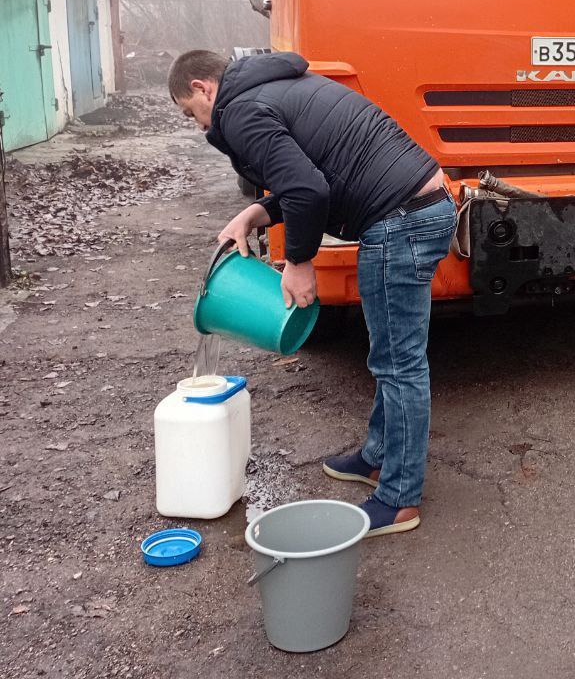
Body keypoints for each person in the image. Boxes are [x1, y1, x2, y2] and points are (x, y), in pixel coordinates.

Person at [169, 50, 454, 536]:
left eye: (188, 112)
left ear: (202, 88)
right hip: (419, 207)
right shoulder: (270, 87)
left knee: (399, 362)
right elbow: (311, 170)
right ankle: (378, 457)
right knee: (391, 354)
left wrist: (298, 263)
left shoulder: (237, 111)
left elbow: (307, 189)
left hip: (400, 220)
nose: (198, 126)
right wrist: (256, 213)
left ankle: (400, 498)